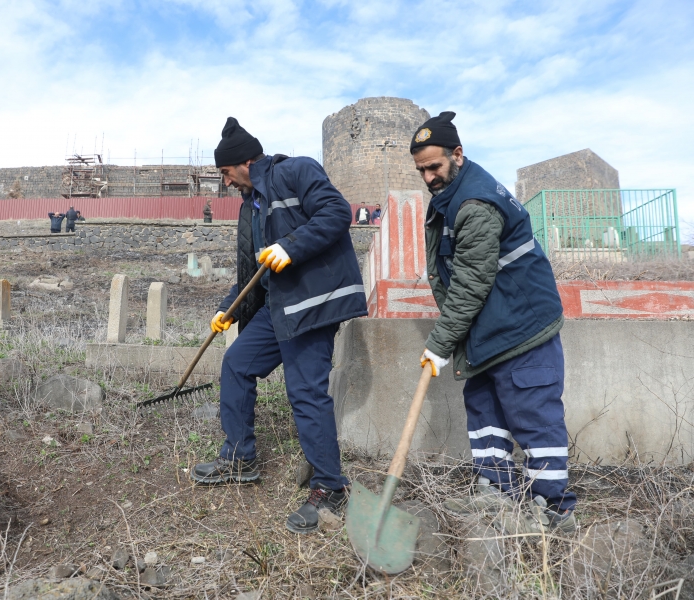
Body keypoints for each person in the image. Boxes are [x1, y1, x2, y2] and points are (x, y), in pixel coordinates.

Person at [190, 117, 367, 534]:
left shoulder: (297, 171)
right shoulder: (250, 206)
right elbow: (255, 269)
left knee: (304, 391)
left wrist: (291, 245)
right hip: (279, 308)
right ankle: (240, 457)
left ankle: (330, 487)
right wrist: (227, 308)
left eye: (226, 172)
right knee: (236, 363)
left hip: (313, 305)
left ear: (245, 162)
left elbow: (336, 213)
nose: (226, 182)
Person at [411, 111, 576, 533]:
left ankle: (554, 511)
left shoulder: (476, 203)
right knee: (483, 408)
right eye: (421, 170)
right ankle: (496, 493)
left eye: (435, 166)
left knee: (532, 413)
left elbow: (470, 282)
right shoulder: (452, 196)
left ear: (458, 155)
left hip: (521, 328)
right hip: (489, 328)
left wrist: (440, 343)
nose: (429, 177)